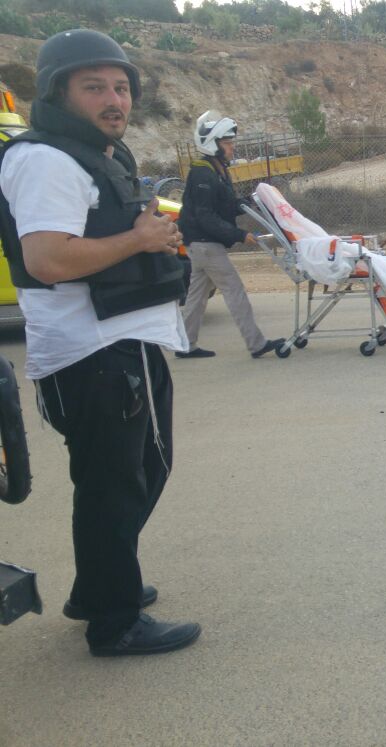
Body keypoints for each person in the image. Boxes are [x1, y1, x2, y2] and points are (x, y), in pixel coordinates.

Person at [0, 29, 201, 656]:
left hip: (123, 343)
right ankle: (113, 622)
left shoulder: (98, 155)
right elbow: (49, 258)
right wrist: (140, 242)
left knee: (137, 473)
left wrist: (149, 238)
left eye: (120, 87)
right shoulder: (44, 160)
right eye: (95, 87)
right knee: (115, 485)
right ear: (60, 93)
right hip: (94, 355)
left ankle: (99, 587)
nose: (114, 99)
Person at [177, 110, 282, 359]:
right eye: (227, 144)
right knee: (234, 291)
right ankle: (256, 344)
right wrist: (238, 234)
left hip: (201, 245)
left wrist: (252, 202)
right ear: (212, 145)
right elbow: (205, 216)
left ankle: (184, 345)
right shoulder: (203, 174)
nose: (231, 148)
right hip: (205, 245)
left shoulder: (214, 171)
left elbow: (224, 206)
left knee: (196, 296)